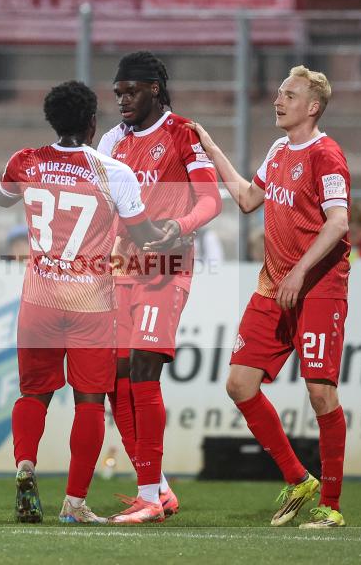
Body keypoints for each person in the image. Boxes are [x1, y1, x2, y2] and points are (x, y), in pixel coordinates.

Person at [0, 80, 168, 524]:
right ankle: (74, 504)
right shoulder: (112, 172)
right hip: (91, 303)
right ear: (93, 122)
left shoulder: (26, 160)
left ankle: (24, 466)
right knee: (90, 401)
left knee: (33, 393)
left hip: (38, 299)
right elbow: (145, 235)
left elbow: (3, 198)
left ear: (52, 120)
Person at [189, 65, 351, 529]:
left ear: (312, 107)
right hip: (274, 285)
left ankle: (332, 507)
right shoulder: (280, 150)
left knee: (321, 394)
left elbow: (338, 222)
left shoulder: (327, 155)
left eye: (289, 94)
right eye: (279, 92)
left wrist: (301, 272)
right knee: (239, 384)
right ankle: (299, 480)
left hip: (317, 287)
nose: (278, 100)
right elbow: (245, 198)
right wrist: (212, 149)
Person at [97, 51, 222, 523]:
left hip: (166, 268)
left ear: (154, 88)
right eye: (118, 93)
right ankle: (159, 488)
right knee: (115, 380)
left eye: (131, 91)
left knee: (144, 372)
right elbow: (107, 208)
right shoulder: (113, 142)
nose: (123, 101)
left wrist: (181, 224)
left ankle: (149, 496)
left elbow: (212, 200)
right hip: (121, 270)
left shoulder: (183, 135)